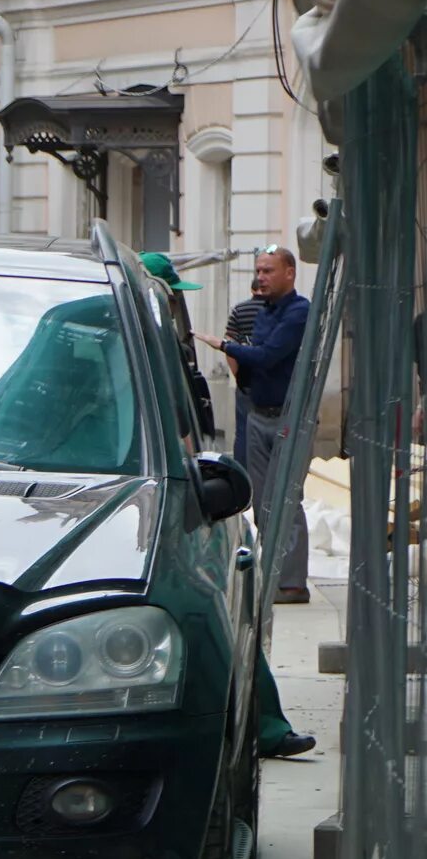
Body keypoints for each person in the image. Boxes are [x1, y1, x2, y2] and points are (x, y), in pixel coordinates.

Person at [145, 251, 312, 758]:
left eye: (267, 271)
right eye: (172, 295)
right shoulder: (144, 342)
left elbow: (257, 359)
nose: (178, 307)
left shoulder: (294, 313)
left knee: (281, 504)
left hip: (260, 428)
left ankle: (262, 723)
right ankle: (255, 727)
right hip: (165, 502)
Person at [201, 245, 313, 605]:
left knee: (287, 498)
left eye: (268, 271)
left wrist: (224, 346)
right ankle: (273, 576)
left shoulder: (299, 312)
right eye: (259, 270)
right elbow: (253, 359)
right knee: (262, 501)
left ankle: (293, 584)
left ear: (289, 273)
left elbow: (266, 356)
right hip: (258, 413)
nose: (260, 277)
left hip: (289, 418)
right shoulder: (262, 312)